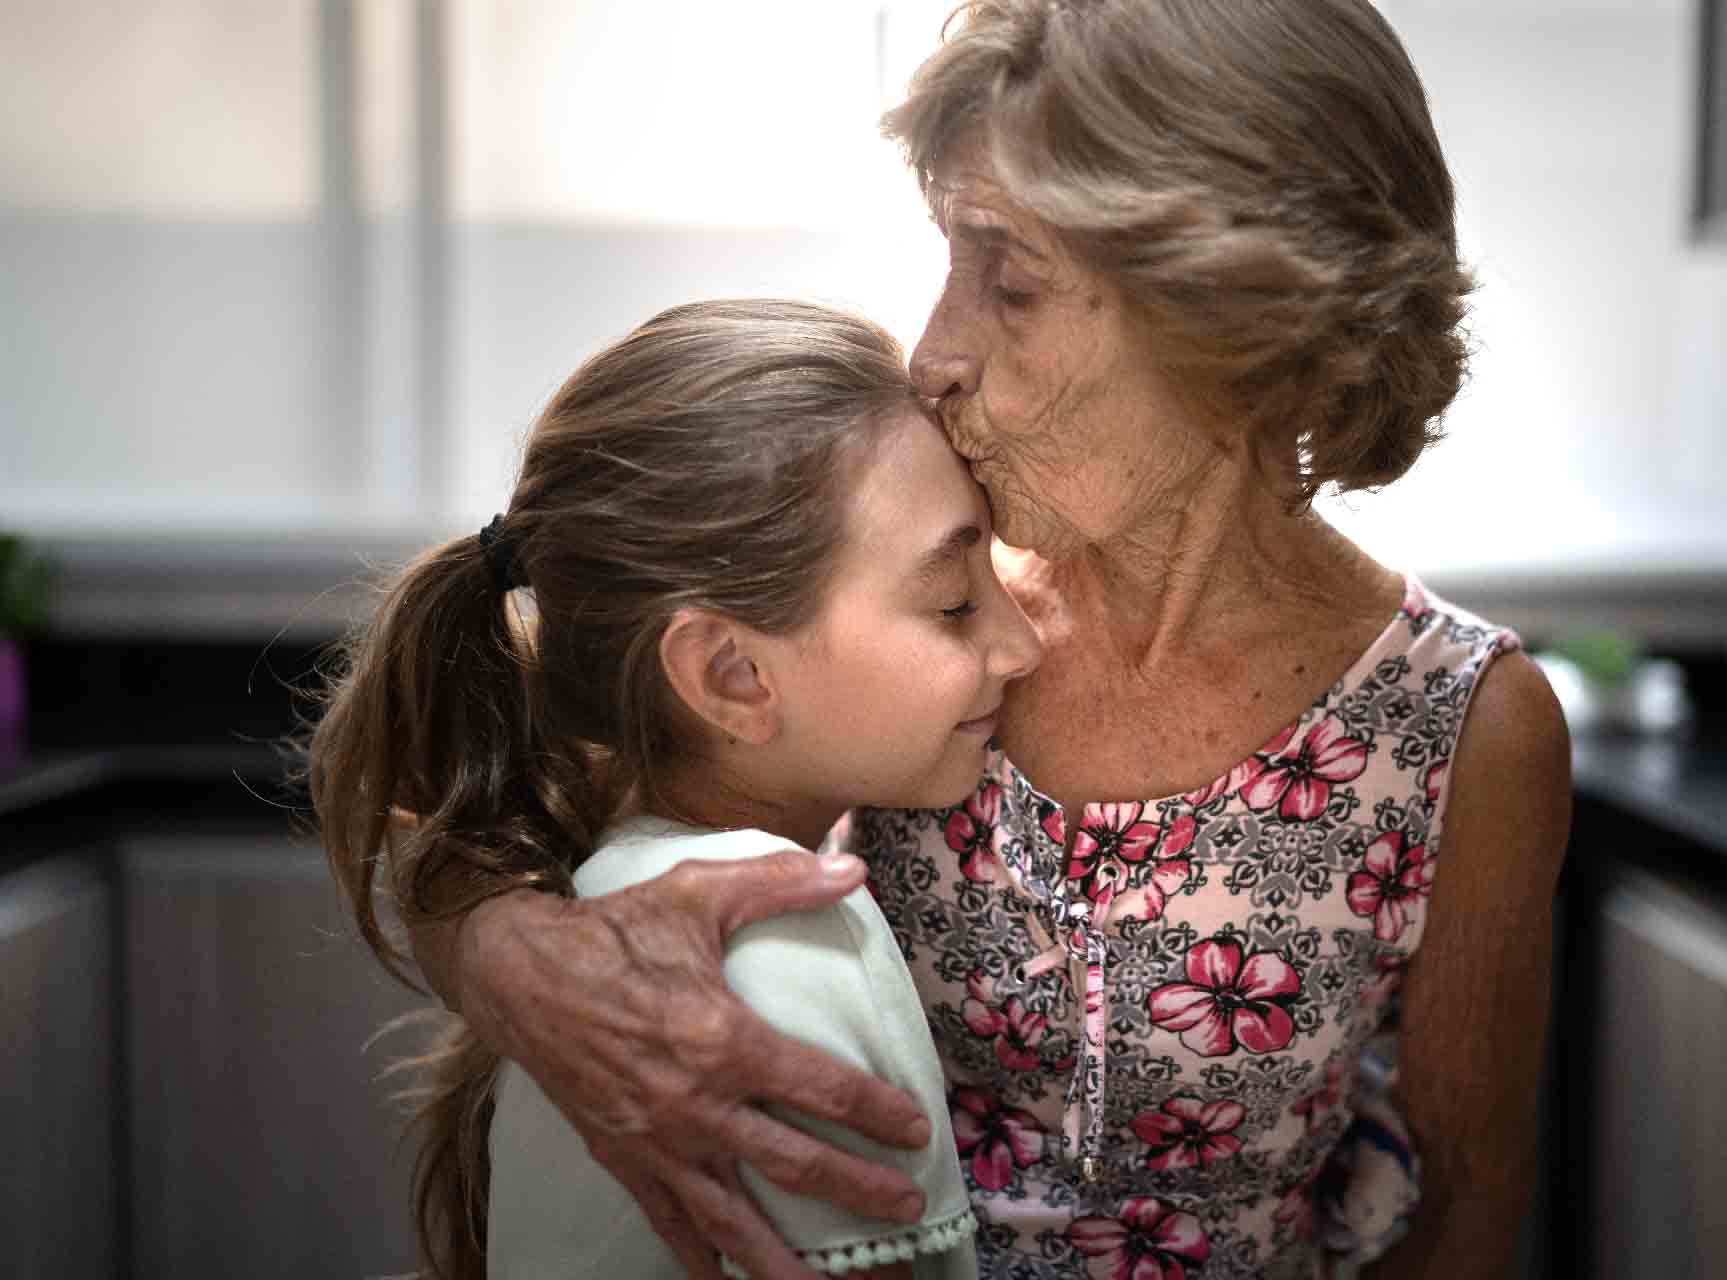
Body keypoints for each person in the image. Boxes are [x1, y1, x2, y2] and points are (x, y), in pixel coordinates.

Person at [393, 2, 1571, 1278]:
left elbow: (1462, 1203)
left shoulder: (1463, 727)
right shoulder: (908, 610)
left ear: (1237, 315)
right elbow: (525, 823)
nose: (933, 352)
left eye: (1007, 278)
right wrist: (509, 956)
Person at [303, 299, 1047, 1278]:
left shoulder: (616, 882)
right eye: (953, 602)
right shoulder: (774, 937)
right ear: (730, 676)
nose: (1021, 641)